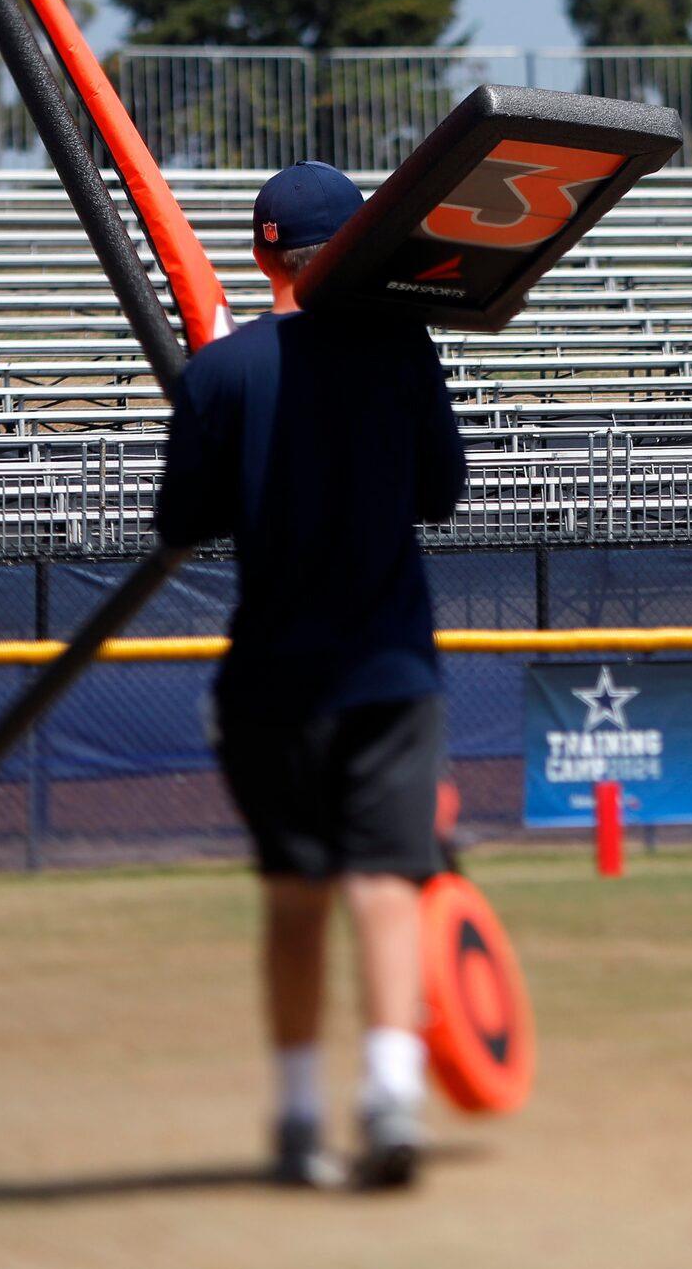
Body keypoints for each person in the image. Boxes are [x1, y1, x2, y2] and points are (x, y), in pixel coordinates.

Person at [156, 160, 468, 1191]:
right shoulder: (401, 351)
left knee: (294, 897)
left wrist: (222, 420)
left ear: (261, 252)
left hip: (270, 679)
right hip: (385, 667)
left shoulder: (220, 372)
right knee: (385, 885)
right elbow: (441, 491)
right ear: (354, 248)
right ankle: (389, 1101)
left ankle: (295, 1118)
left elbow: (180, 523)